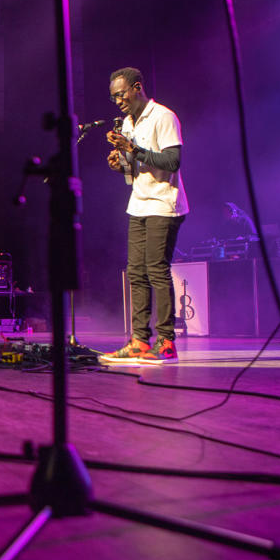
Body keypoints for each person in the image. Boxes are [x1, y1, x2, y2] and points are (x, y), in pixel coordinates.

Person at [102, 66, 188, 363]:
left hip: (164, 203)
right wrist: (121, 164)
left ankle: (166, 342)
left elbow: (173, 161)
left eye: (121, 94)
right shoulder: (128, 122)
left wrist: (133, 150)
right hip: (138, 203)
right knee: (136, 273)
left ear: (137, 87)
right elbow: (132, 171)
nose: (118, 101)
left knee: (156, 269)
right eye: (113, 97)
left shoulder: (163, 116)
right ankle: (140, 341)